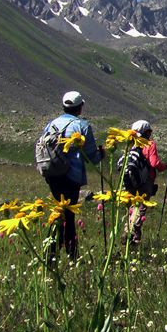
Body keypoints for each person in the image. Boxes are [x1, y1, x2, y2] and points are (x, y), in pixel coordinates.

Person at [43, 90, 104, 260]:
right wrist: (102, 155)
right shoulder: (82, 126)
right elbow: (91, 156)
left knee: (58, 212)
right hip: (71, 175)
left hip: (53, 174)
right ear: (80, 107)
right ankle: (70, 255)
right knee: (68, 214)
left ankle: (52, 252)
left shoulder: (51, 124)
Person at [125, 120, 167, 244]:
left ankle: (128, 231)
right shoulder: (150, 144)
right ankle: (133, 236)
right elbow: (154, 163)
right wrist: (166, 166)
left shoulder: (133, 144)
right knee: (140, 208)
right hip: (145, 181)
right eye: (149, 131)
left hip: (131, 180)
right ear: (146, 132)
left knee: (131, 207)